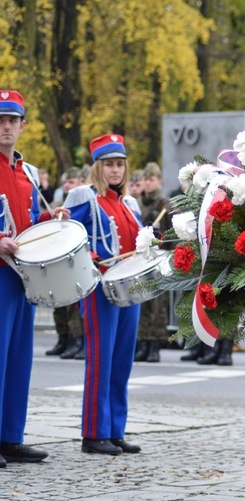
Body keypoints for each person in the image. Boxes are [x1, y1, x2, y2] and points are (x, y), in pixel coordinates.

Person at [0, 89, 70, 467]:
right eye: (1, 120)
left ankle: (11, 436)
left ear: (23, 126)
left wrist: (49, 219)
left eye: (12, 120)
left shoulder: (27, 172)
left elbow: (27, 223)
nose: (6, 126)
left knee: (18, 359)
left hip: (22, 275)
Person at [64, 134, 143, 456]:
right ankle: (94, 432)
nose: (115, 171)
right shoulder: (85, 198)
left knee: (122, 360)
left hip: (129, 286)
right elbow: (71, 238)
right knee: (101, 360)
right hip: (99, 288)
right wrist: (93, 259)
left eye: (120, 165)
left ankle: (115, 429)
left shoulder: (129, 203)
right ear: (98, 168)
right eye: (109, 165)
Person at [46, 166, 87, 360]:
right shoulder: (57, 204)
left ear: (80, 182)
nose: (67, 186)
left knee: (74, 305)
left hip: (74, 257)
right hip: (56, 255)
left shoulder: (83, 202)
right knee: (59, 302)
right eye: (65, 183)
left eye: (71, 182)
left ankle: (77, 340)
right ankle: (64, 338)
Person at [133, 162, 170, 363]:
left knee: (157, 305)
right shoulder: (137, 203)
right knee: (143, 302)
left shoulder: (165, 205)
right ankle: (143, 341)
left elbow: (172, 233)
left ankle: (155, 343)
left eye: (151, 179)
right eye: (145, 180)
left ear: (159, 181)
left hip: (158, 258)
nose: (147, 183)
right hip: (141, 258)